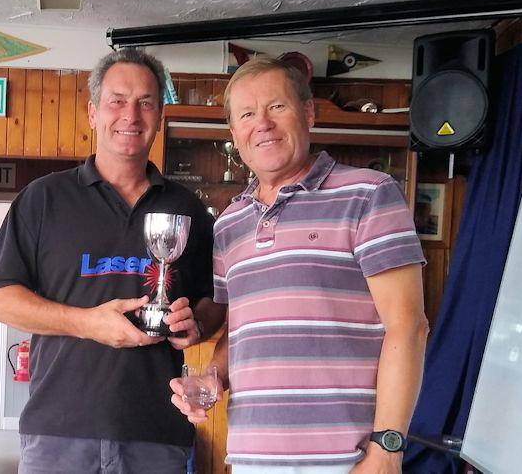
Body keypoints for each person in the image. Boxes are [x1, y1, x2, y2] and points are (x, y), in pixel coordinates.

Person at [171, 58, 430, 474]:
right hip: (253, 458)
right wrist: (211, 377)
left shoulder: (368, 194)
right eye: (248, 114)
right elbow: (243, 328)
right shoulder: (230, 224)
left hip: (347, 460)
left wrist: (387, 449)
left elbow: (409, 327)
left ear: (308, 113)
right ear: (234, 133)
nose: (263, 124)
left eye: (277, 107)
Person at [0, 48, 226, 474]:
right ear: (93, 112)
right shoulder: (44, 199)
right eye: (117, 100)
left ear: (159, 115)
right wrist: (89, 323)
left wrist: (196, 324)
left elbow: (215, 301)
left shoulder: (187, 209)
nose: (131, 114)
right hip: (59, 433)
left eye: (146, 102)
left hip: (157, 431)